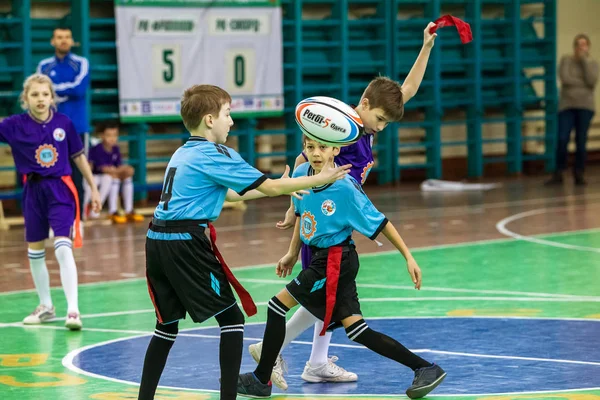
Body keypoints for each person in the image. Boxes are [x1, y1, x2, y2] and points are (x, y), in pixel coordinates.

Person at [248, 22, 438, 389]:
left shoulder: (363, 127)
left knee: (326, 299)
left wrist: (426, 47)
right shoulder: (340, 133)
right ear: (364, 104)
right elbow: (305, 163)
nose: (382, 128)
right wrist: (293, 205)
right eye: (380, 119)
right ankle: (272, 351)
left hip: (337, 219)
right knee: (322, 296)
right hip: (323, 223)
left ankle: (313, 361)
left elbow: (407, 90)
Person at [137, 84, 351, 400]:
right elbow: (265, 187)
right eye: (228, 113)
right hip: (185, 241)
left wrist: (282, 185)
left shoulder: (184, 152)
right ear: (210, 120)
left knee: (166, 326)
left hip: (157, 239)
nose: (232, 121)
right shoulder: (216, 153)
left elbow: (239, 191)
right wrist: (317, 180)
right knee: (232, 320)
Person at [237, 136, 446, 399]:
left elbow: (381, 222)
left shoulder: (345, 187)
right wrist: (292, 253)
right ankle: (425, 368)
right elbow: (302, 214)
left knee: (277, 306)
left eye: (322, 147)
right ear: (303, 148)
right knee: (358, 330)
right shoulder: (303, 174)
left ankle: (261, 379)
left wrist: (409, 257)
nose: (316, 153)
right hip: (323, 258)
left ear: (336, 150)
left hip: (335, 260)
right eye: (310, 147)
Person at [0, 73, 101, 330]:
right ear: (25, 99)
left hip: (60, 189)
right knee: (35, 252)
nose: (41, 99)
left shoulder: (64, 123)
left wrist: (94, 189)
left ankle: (73, 311)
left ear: (52, 97)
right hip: (33, 191)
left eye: (45, 94)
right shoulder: (13, 125)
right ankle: (46, 305)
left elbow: (79, 158)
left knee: (62, 247)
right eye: (35, 94)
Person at [37, 25, 90, 217]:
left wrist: (54, 91)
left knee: (78, 174)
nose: (64, 40)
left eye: (67, 37)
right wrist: (54, 92)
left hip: (77, 128)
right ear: (53, 41)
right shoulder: (44, 66)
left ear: (72, 41)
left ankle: (78, 218)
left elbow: (79, 89)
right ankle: (55, 215)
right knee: (51, 174)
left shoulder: (81, 63)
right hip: (50, 129)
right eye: (59, 37)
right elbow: (41, 91)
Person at [546, 33, 599, 186]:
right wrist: (582, 83)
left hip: (585, 107)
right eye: (578, 44)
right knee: (562, 138)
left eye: (584, 45)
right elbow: (565, 79)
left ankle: (579, 172)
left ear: (588, 47)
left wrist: (583, 61)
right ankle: (558, 172)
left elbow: (592, 80)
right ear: (574, 46)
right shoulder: (566, 60)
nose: (581, 48)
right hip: (567, 106)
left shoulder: (592, 63)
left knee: (581, 140)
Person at [84, 121, 144, 223]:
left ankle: (129, 210)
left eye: (115, 135)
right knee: (110, 178)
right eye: (109, 135)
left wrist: (124, 170)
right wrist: (121, 170)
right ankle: (110, 210)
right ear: (102, 136)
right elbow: (104, 169)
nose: (112, 138)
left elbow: (117, 167)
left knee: (126, 177)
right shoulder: (97, 149)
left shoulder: (115, 149)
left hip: (108, 177)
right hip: (95, 178)